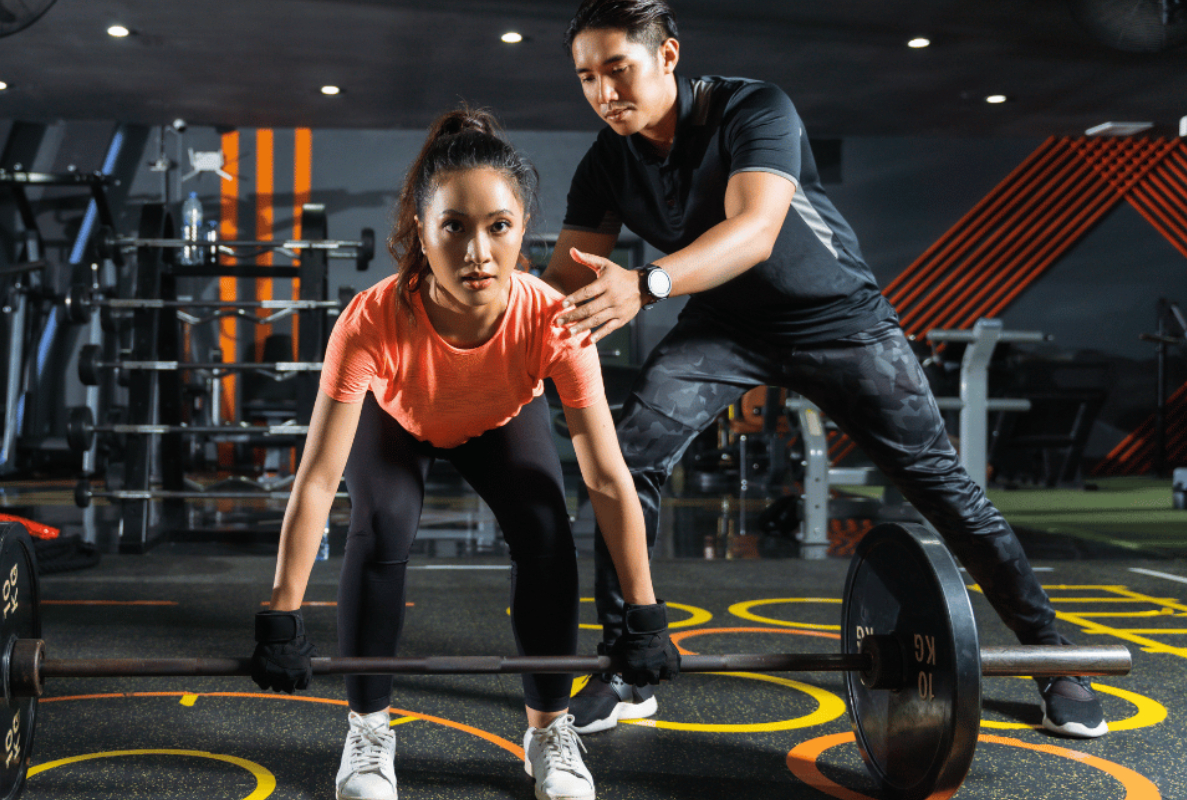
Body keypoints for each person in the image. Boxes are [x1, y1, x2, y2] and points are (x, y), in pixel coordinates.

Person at [541, 0, 1108, 740]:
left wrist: (645, 284)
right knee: (627, 458)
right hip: (725, 327)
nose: (604, 92)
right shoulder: (607, 160)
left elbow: (754, 230)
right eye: (587, 77)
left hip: (837, 320)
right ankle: (630, 664)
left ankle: (1052, 656)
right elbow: (564, 278)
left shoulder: (752, 108)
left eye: (618, 69)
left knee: (939, 484)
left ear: (668, 56)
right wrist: (491, 319)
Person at [249, 107, 681, 800]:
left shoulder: (554, 321)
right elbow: (319, 479)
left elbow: (605, 476)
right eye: (454, 227)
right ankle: (368, 729)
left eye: (498, 226)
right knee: (381, 523)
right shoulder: (371, 320)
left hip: (499, 420)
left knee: (545, 526)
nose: (478, 251)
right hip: (399, 419)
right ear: (420, 231)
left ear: (522, 228)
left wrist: (645, 612)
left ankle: (548, 730)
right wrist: (282, 614)